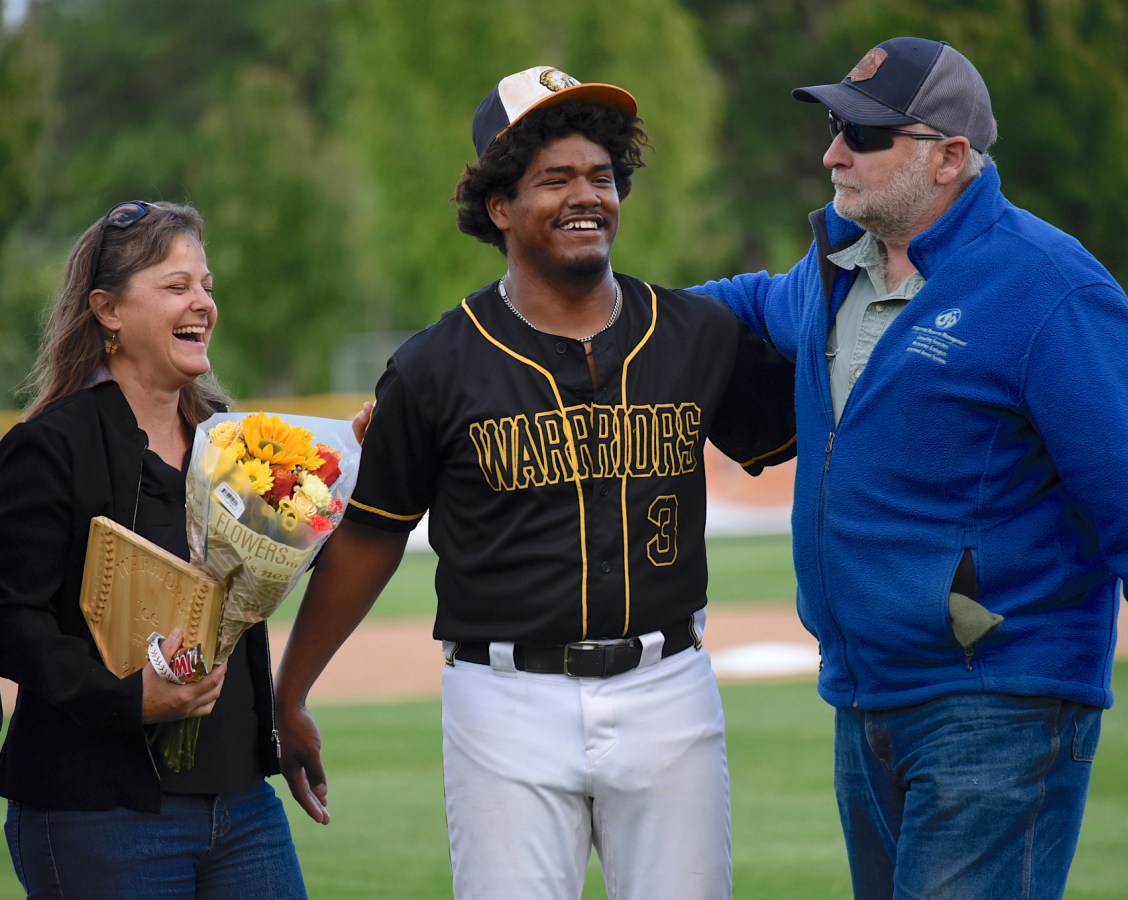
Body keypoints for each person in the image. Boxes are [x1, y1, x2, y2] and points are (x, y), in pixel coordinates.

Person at [273, 66, 796, 900]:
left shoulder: (697, 334)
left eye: (601, 175)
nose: (586, 195)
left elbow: (828, 419)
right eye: (554, 179)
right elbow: (370, 538)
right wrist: (292, 689)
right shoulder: (435, 366)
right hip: (504, 701)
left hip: (670, 689)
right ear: (500, 207)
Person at [695, 36, 1128, 899]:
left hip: (999, 699)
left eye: (863, 134)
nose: (833, 153)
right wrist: (585, 326)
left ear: (950, 158)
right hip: (865, 697)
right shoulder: (832, 271)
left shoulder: (1050, 288)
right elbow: (735, 306)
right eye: (833, 126)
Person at [0, 201, 314, 897]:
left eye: (206, 286)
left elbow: (281, 568)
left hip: (242, 806)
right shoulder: (49, 447)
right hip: (98, 815)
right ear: (108, 311)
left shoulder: (236, 443)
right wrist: (126, 697)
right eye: (176, 287)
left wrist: (341, 467)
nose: (203, 301)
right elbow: (9, 621)